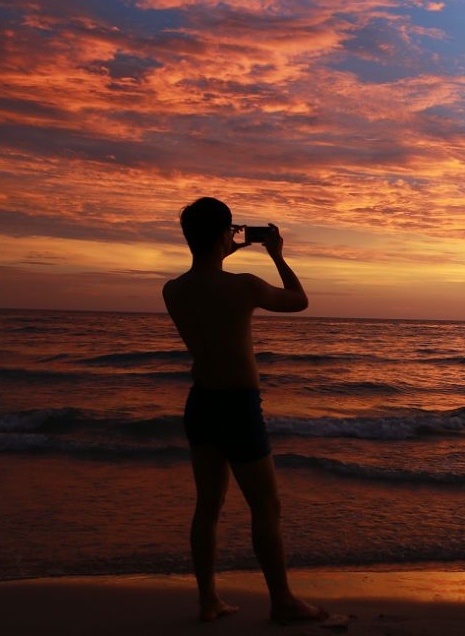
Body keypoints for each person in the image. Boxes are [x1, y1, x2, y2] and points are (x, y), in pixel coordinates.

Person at [162, 197, 329, 624]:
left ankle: (208, 601)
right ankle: (283, 601)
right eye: (232, 231)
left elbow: (206, 267)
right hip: (238, 405)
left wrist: (222, 244)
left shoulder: (174, 290)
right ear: (224, 234)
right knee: (266, 506)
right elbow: (298, 299)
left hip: (201, 402)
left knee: (208, 506)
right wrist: (275, 252)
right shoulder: (244, 286)